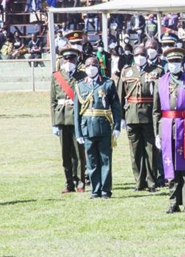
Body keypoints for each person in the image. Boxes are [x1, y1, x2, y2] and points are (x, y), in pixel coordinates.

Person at [154, 47, 185, 213]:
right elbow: (156, 111)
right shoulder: (160, 82)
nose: (174, 65)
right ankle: (173, 203)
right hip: (167, 128)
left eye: (177, 61)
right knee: (171, 167)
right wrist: (156, 133)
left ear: (182, 63)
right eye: (171, 62)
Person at [74, 56, 122, 199]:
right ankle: (95, 190)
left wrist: (117, 127)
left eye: (94, 65)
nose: (91, 68)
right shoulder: (80, 85)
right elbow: (76, 112)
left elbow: (116, 107)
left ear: (98, 67)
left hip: (104, 127)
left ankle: (106, 190)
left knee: (105, 159)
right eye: (88, 66)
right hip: (87, 128)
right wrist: (78, 133)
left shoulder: (108, 84)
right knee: (91, 161)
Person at [116, 45, 162, 193]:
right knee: (135, 151)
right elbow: (120, 96)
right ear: (133, 57)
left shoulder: (157, 71)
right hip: (131, 115)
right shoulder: (126, 71)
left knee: (151, 151)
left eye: (142, 54)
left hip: (149, 115)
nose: (140, 57)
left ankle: (152, 182)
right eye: (137, 55)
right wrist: (121, 118)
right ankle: (139, 181)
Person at [51, 46, 87, 193]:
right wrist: (54, 123)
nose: (68, 61)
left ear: (77, 60)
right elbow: (52, 101)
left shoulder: (83, 76)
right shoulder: (56, 76)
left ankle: (80, 183)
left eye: (71, 58)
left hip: (77, 119)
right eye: (66, 59)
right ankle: (69, 183)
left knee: (79, 153)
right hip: (62, 118)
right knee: (65, 154)